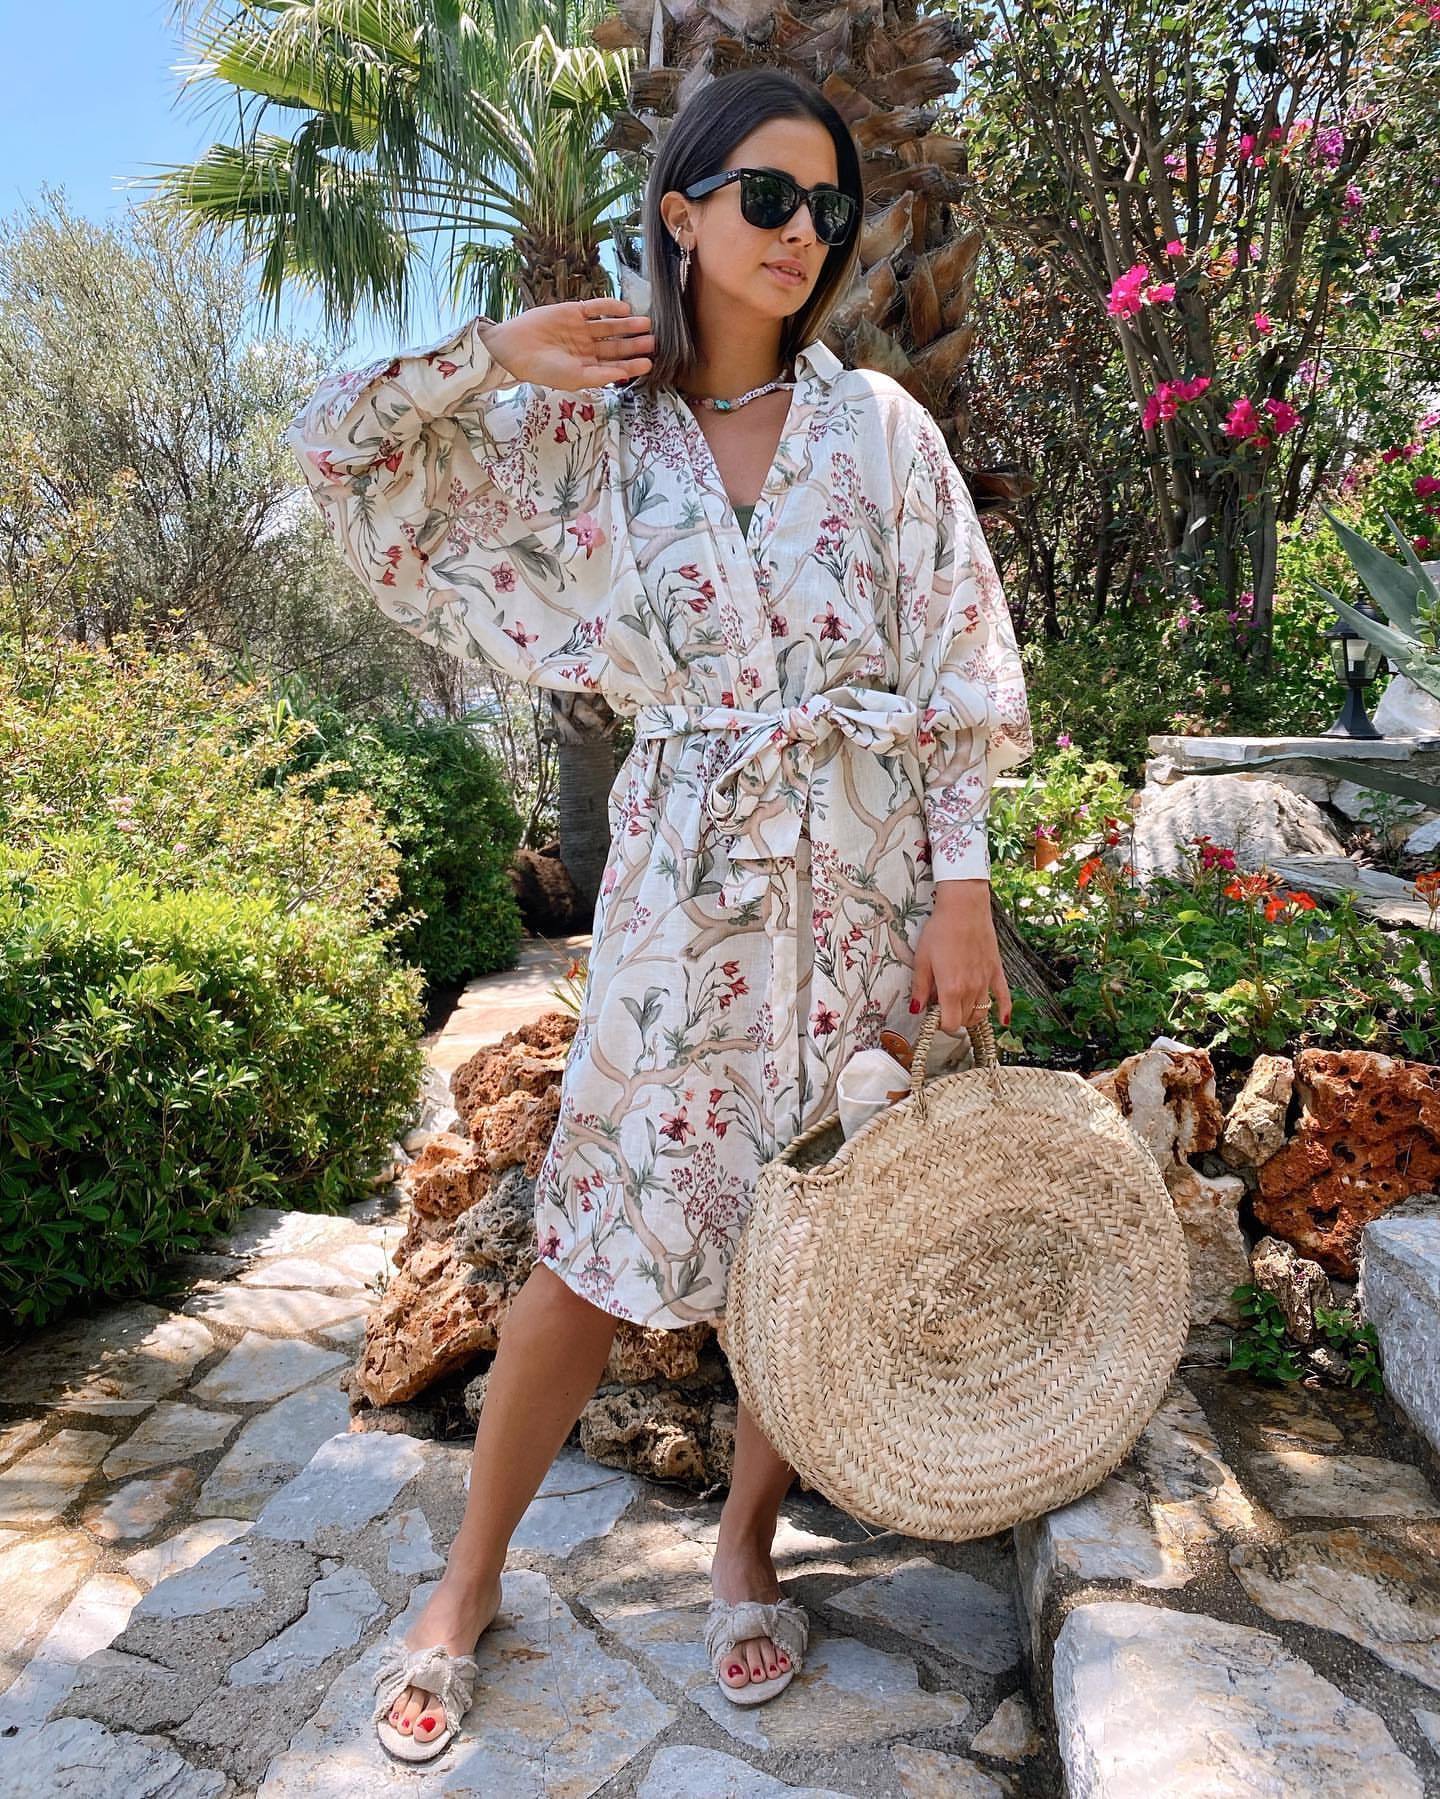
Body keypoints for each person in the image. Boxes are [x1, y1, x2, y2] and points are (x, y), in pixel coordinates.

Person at [288, 64, 1033, 1763]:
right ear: (682, 212)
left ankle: (745, 1549)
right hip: (685, 889)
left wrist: (962, 888)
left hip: (865, 878)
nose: (804, 232)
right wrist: (494, 356)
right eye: (767, 196)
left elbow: (956, 663)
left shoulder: (879, 430)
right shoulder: (588, 437)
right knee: (590, 1243)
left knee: (810, 1226)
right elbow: (336, 449)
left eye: (828, 207)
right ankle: (466, 1580)